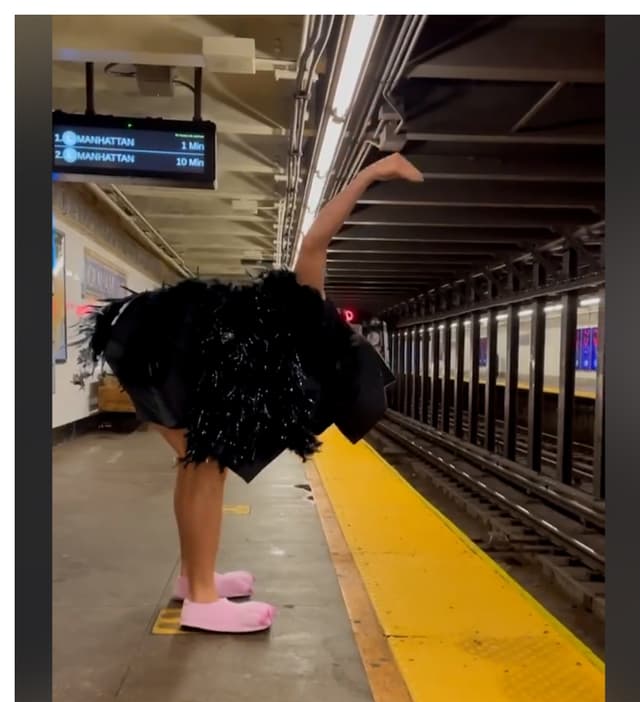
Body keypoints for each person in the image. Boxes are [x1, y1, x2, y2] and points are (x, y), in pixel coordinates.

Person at [74, 153, 424, 633]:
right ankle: (202, 598)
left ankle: (194, 579)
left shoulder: (293, 351)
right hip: (160, 345)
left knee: (198, 462)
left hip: (159, 343)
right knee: (206, 462)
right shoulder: (309, 313)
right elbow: (316, 239)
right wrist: (371, 174)